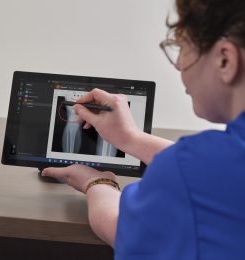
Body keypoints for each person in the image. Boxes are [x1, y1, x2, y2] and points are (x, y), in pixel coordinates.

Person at [43, 0, 245, 258]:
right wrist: (131, 139)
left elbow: (120, 227)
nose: (179, 64)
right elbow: (218, 171)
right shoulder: (209, 168)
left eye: (182, 48)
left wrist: (97, 182)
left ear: (225, 60)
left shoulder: (190, 172)